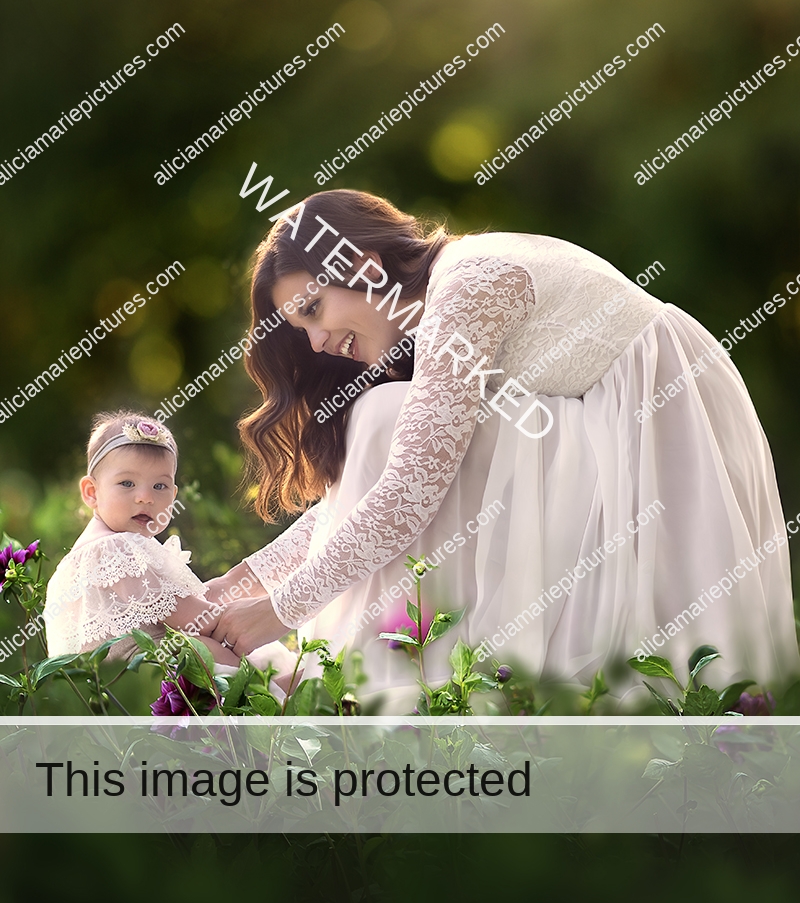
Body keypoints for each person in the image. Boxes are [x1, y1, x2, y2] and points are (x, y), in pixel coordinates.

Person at [207, 189, 800, 703]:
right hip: (607, 429)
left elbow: (407, 493)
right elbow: (372, 493)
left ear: (364, 265)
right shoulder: (441, 301)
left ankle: (372, 689)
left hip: (658, 429)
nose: (313, 343)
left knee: (387, 417)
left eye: (312, 310)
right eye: (299, 327)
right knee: (391, 421)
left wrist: (278, 612)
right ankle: (387, 680)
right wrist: (235, 587)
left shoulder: (467, 285)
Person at [44, 411, 293, 680]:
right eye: (127, 483)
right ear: (92, 492)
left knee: (213, 647)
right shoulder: (113, 550)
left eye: (160, 486)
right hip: (141, 680)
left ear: (174, 495)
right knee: (207, 647)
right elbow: (196, 620)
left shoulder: (91, 551)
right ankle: (276, 688)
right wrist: (263, 613)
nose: (145, 497)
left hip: (113, 690)